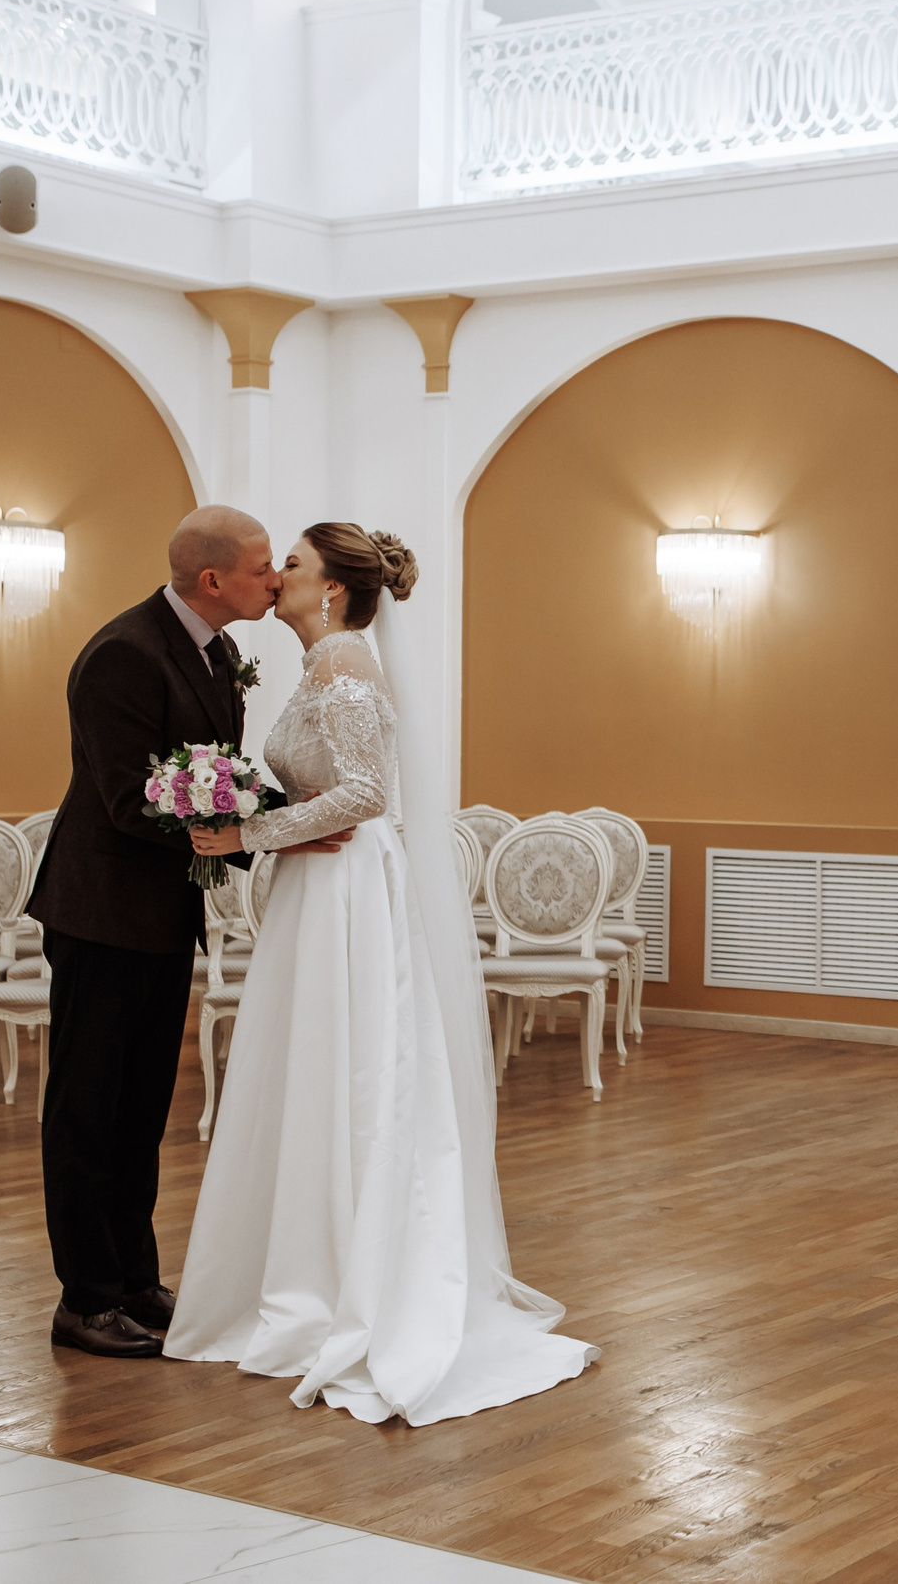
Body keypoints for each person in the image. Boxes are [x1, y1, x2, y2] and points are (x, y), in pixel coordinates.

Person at [163, 524, 597, 1424]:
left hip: (343, 891)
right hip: (320, 886)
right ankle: (301, 1263)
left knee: (344, 1067)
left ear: (332, 591)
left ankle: (336, 1280)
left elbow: (365, 793)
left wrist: (248, 831)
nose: (279, 575)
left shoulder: (344, 667)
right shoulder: (328, 662)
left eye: (296, 564)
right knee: (313, 1067)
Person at [29, 507, 350, 1359]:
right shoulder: (122, 656)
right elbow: (132, 799)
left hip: (164, 913)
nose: (275, 581)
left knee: (141, 1111)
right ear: (213, 581)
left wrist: (276, 821)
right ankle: (85, 1296)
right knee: (87, 1108)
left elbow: (222, 781)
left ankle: (136, 1278)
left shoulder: (220, 652)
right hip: (100, 912)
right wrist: (265, 835)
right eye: (259, 569)